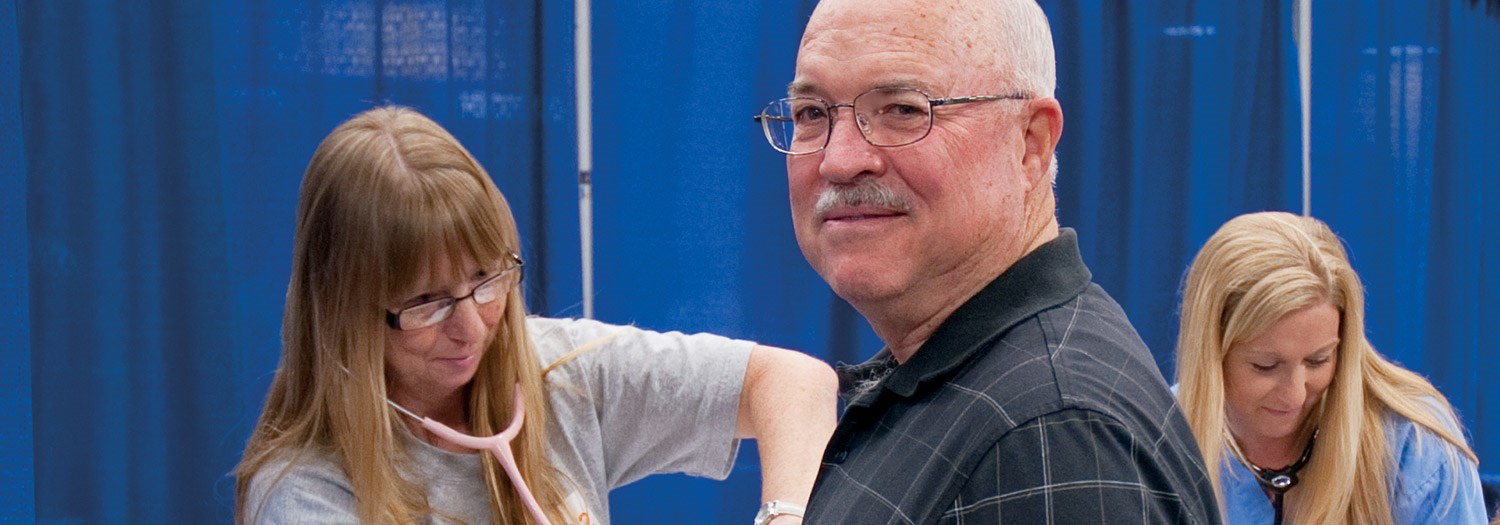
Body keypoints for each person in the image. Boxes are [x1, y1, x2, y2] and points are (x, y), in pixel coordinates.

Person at [235, 106, 838, 524]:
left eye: (486, 279)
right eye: (428, 303)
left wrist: (783, 514)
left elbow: (794, 385)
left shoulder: (559, 373)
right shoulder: (305, 493)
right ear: (345, 312)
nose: (473, 327)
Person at [752, 0, 1220, 522]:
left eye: (904, 110)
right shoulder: (969, 387)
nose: (839, 160)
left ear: (1030, 144)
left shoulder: (1051, 438)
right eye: (812, 114)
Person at [1175, 211, 1485, 524]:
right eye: (1265, 366)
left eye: (1318, 360)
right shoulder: (1158, 433)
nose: (1294, 395)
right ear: (1211, 354)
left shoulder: (1413, 444)